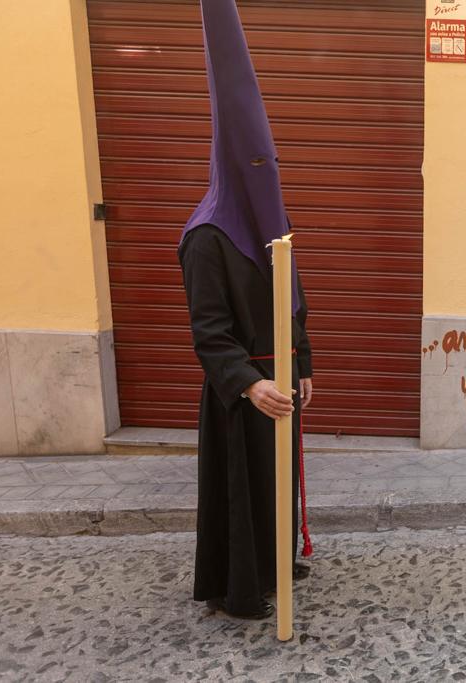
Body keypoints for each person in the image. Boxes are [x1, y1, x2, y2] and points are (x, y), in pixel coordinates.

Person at [179, 0, 313, 620]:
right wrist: (252, 385)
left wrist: (301, 360)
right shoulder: (206, 236)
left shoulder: (272, 221)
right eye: (255, 164)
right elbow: (208, 334)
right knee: (245, 488)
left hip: (280, 382)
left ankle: (280, 562)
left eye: (273, 164)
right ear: (234, 163)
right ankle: (242, 585)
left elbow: (295, 297)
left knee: (278, 485)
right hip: (243, 397)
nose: (267, 175)